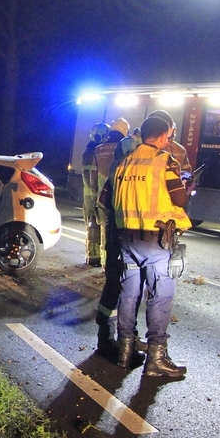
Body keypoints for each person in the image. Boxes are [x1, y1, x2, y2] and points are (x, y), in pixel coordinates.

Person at [103, 115, 191, 377]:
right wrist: (186, 185)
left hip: (127, 239)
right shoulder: (165, 162)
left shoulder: (122, 164)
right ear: (165, 136)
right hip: (156, 241)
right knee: (160, 296)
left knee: (129, 295)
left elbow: (105, 199)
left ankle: (125, 351)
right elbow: (180, 199)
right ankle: (156, 358)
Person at [95, 118, 130, 267]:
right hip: (118, 195)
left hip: (101, 195)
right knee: (118, 231)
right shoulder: (124, 148)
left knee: (103, 229)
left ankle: (105, 263)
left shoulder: (98, 149)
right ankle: (117, 263)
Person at [81, 123, 109, 266]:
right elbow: (90, 176)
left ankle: (95, 256)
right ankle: (93, 257)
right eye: (104, 135)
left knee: (96, 226)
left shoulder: (92, 151)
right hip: (91, 195)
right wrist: (93, 196)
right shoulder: (91, 152)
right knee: (93, 226)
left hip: (93, 194)